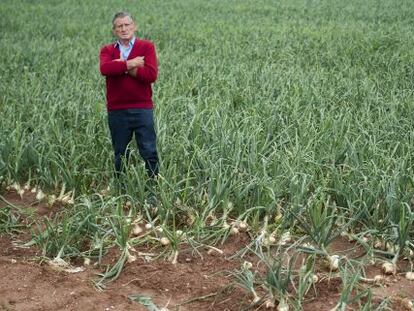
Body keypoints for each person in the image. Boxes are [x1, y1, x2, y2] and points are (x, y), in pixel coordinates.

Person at [99, 12, 159, 184]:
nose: (124, 29)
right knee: (120, 152)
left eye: (127, 25)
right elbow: (105, 69)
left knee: (149, 150)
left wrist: (121, 66)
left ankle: (153, 187)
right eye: (119, 26)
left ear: (134, 26)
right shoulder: (108, 50)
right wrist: (132, 63)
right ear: (114, 30)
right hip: (117, 110)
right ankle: (121, 189)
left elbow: (150, 75)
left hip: (142, 108)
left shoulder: (147, 47)